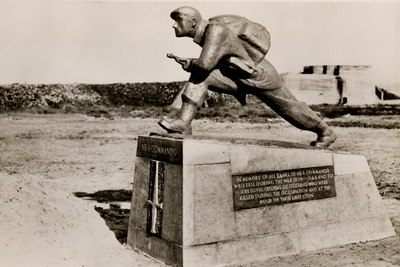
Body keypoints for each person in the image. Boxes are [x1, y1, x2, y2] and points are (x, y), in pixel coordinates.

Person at [158, 6, 337, 148]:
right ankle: (183, 123)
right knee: (200, 77)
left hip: (259, 75)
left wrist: (191, 64)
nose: (174, 25)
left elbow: (205, 65)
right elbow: (210, 64)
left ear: (194, 22)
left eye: (178, 20)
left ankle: (325, 131)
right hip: (236, 76)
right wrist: (191, 64)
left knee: (290, 109)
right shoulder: (208, 32)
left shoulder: (215, 30)